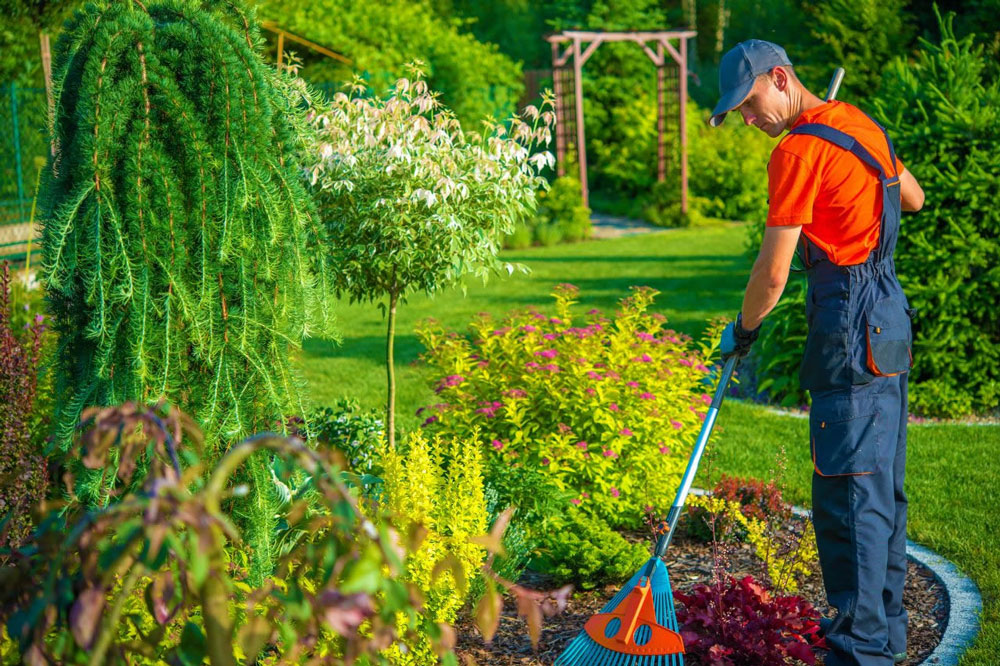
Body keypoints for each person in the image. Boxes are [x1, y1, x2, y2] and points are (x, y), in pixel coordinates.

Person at [713, 40, 925, 666]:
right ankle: (883, 640)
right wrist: (842, 151)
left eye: (750, 105)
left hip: (847, 321)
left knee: (848, 497)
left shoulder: (798, 151)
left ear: (781, 78)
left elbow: (773, 275)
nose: (749, 122)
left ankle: (860, 654)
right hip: (887, 313)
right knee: (880, 486)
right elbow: (912, 198)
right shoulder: (856, 123)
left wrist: (745, 330)